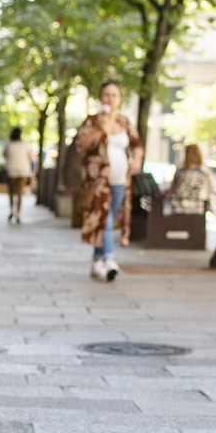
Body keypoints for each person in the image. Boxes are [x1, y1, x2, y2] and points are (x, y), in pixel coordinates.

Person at [73, 80, 143, 282]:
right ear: (100, 98)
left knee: (108, 218)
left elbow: (137, 145)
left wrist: (136, 160)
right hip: (98, 181)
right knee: (105, 218)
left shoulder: (124, 122)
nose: (110, 99)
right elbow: (81, 145)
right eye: (106, 95)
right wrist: (99, 129)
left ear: (119, 99)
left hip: (120, 180)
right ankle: (109, 258)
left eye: (114, 95)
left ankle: (97, 261)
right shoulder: (92, 121)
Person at [168, 143, 215, 215]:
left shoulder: (180, 170)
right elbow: (210, 190)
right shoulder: (204, 171)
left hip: (180, 207)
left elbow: (173, 188)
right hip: (198, 208)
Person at [3, 127, 34, 224]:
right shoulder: (25, 144)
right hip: (23, 171)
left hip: (11, 170)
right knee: (19, 193)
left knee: (11, 193)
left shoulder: (8, 143)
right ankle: (18, 213)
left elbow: (4, 155)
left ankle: (12, 210)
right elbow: (31, 157)